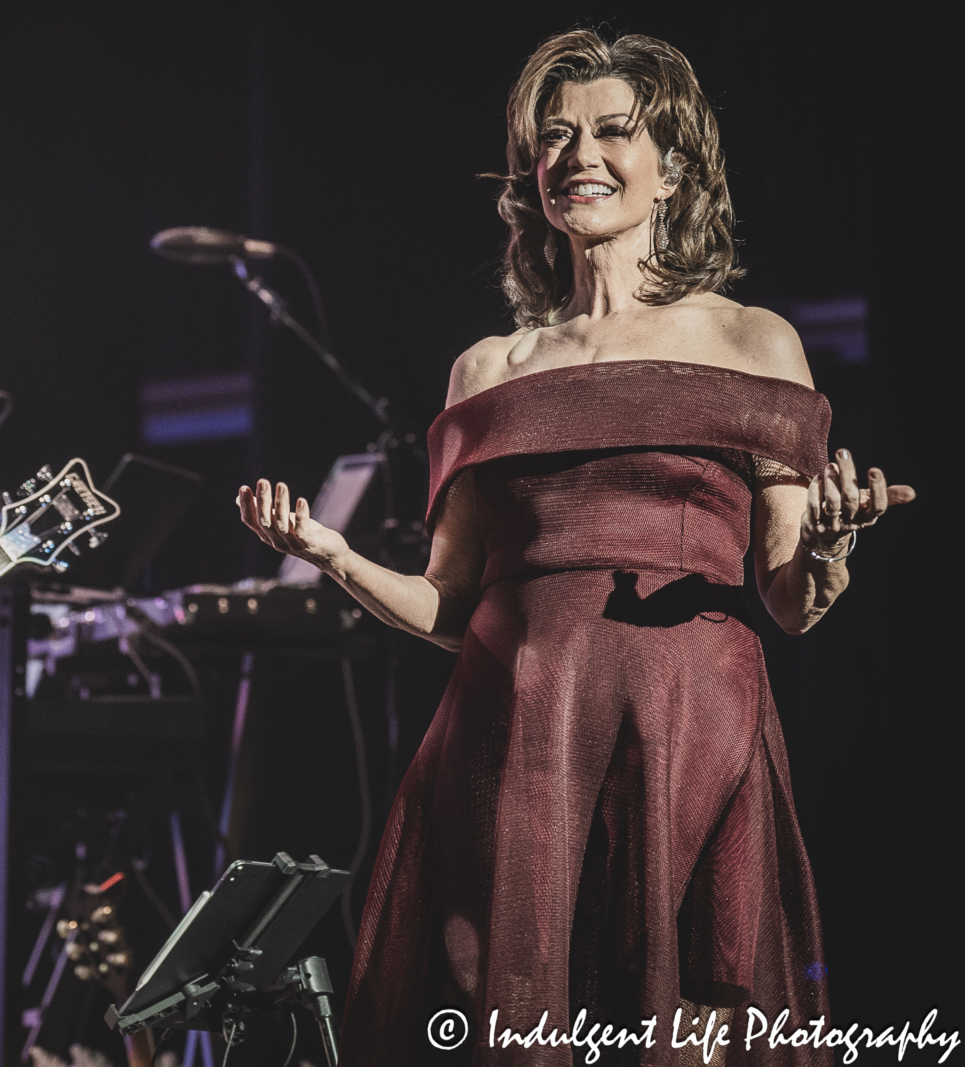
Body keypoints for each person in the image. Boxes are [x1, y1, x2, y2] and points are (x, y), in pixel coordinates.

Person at [237, 31, 913, 1066]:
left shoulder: (750, 341)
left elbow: (790, 599)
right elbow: (444, 607)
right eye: (554, 137)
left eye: (610, 131)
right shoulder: (488, 368)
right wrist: (328, 550)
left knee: (684, 1026)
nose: (578, 154)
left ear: (672, 165)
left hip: (685, 721)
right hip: (512, 732)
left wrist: (826, 547)